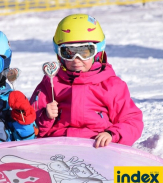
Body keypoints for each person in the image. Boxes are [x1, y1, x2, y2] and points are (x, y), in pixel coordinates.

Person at [30, 14, 143, 148]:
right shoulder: (51, 84)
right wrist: (45, 117)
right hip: (58, 147)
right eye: (69, 53)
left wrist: (112, 134)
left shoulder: (111, 86)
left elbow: (132, 120)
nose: (76, 59)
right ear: (59, 55)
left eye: (84, 52)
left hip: (97, 147)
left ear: (97, 53)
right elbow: (29, 126)